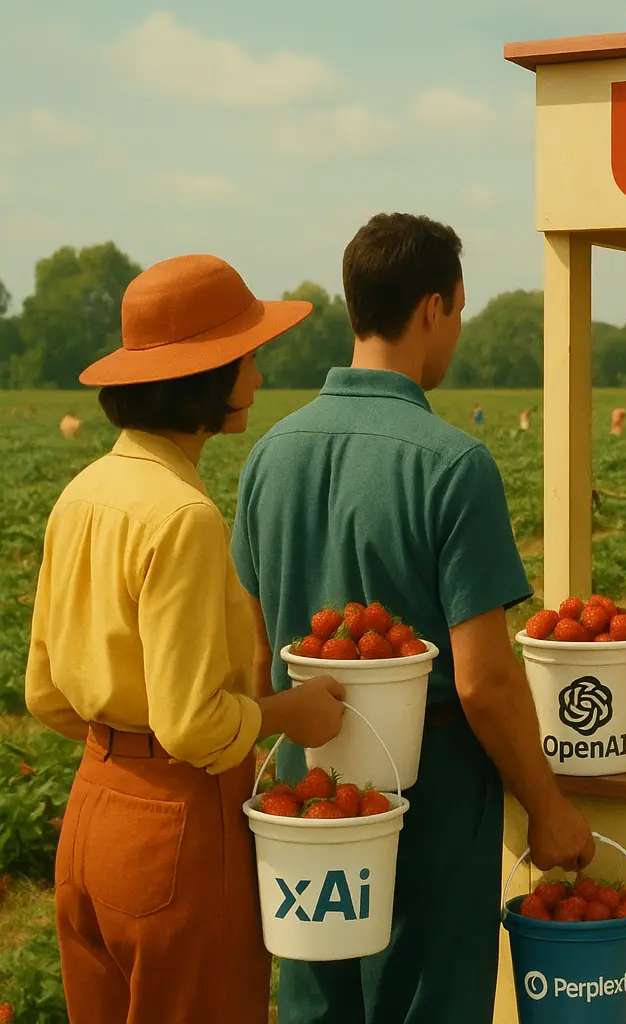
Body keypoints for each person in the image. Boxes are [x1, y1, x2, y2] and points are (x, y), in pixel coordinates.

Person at [231, 213, 594, 1023]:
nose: (456, 331)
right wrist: (548, 807)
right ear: (434, 308)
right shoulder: (453, 464)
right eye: (460, 313)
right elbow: (484, 681)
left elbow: (253, 665)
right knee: (424, 1003)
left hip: (308, 790)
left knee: (317, 1004)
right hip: (426, 798)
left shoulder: (269, 456)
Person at [25, 254, 349, 1023]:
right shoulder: (183, 516)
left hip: (92, 810)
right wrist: (286, 713)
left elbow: (43, 694)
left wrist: (119, 745)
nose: (259, 374)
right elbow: (194, 724)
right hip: (176, 826)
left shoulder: (83, 493)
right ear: (207, 374)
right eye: (249, 355)